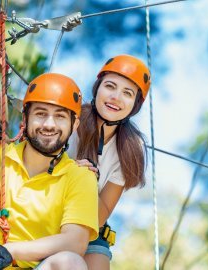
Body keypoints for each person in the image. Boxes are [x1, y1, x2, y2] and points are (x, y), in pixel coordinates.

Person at [0, 73, 98, 269]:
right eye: (41, 113)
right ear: (25, 118)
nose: (49, 124)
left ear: (75, 124)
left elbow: (75, 242)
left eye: (60, 116)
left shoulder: (80, 176)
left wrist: (12, 251)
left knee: (70, 262)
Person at [68, 54, 151, 270]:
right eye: (110, 86)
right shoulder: (69, 120)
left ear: (135, 104)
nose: (116, 97)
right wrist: (70, 172)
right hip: (46, 210)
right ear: (97, 88)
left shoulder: (130, 149)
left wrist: (85, 182)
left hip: (88, 227)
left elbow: (100, 215)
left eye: (127, 93)